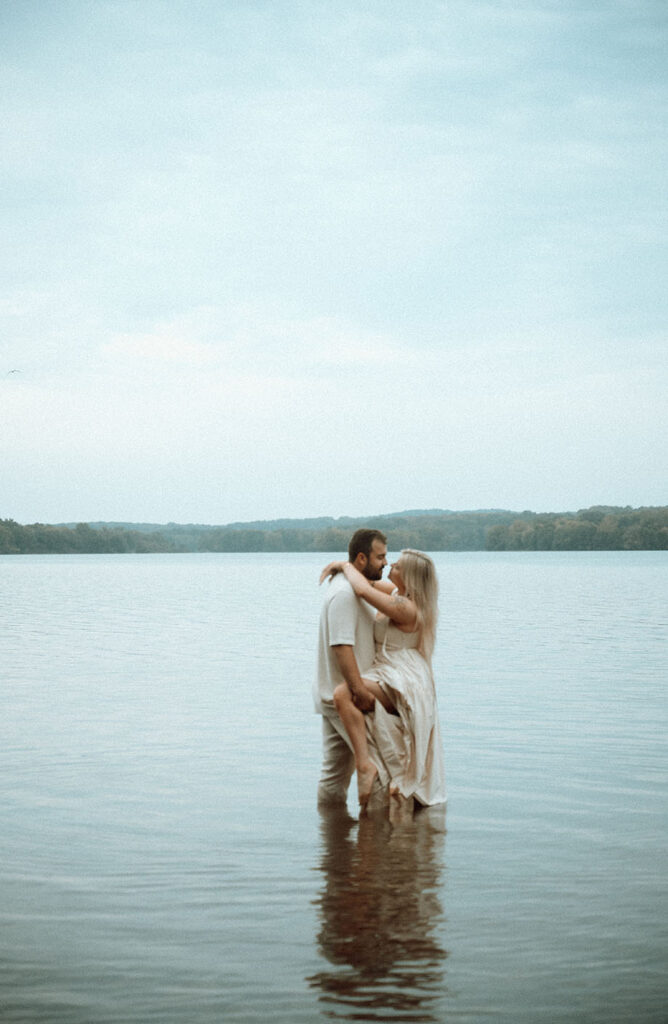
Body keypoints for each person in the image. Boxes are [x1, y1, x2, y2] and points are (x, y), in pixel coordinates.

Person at [320, 549, 445, 813]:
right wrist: (348, 568)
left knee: (343, 694)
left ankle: (364, 765)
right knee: (345, 694)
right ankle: (372, 767)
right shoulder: (397, 593)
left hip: (405, 676)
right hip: (389, 669)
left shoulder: (406, 607)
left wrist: (343, 564)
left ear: (409, 577)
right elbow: (368, 584)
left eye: (398, 566)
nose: (391, 565)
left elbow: (365, 592)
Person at [314, 528, 388, 807]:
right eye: (380, 557)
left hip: (335, 692)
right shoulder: (344, 594)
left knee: (334, 774)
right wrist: (360, 693)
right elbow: (341, 647)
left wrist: (343, 566)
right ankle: (375, 840)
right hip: (347, 697)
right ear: (361, 558)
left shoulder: (356, 587)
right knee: (376, 768)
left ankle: (333, 838)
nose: (385, 563)